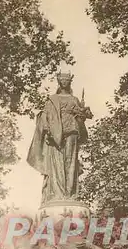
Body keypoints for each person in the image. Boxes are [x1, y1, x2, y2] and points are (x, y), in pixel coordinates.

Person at [27, 71, 93, 203]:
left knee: (71, 161)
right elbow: (45, 116)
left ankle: (70, 193)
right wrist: (47, 129)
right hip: (55, 135)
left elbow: (83, 117)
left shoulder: (74, 99)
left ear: (69, 82)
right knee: (56, 163)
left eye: (67, 80)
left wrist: (83, 113)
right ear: (59, 81)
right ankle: (57, 193)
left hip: (72, 132)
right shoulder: (52, 99)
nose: (64, 82)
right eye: (62, 80)